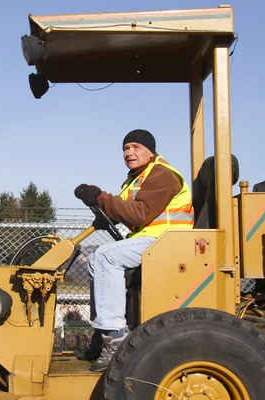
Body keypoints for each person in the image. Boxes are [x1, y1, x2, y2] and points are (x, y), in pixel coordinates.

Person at [74, 129, 194, 372]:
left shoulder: (162, 174)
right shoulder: (137, 178)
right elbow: (122, 211)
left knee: (106, 256)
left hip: (168, 242)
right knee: (96, 258)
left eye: (136, 147)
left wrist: (101, 198)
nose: (129, 153)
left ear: (151, 152)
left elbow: (139, 212)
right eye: (125, 149)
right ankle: (104, 329)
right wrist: (98, 200)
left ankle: (116, 338)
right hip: (154, 241)